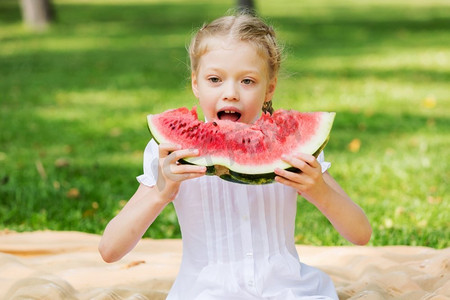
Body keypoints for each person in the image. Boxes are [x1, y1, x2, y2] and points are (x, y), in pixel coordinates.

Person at [99, 13, 372, 299]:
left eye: (247, 81)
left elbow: (360, 233)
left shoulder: (295, 148)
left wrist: (319, 191)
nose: (230, 94)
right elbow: (109, 250)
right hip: (204, 293)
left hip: (287, 291)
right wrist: (160, 193)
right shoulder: (168, 154)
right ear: (195, 83)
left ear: (270, 87)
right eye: (215, 79)